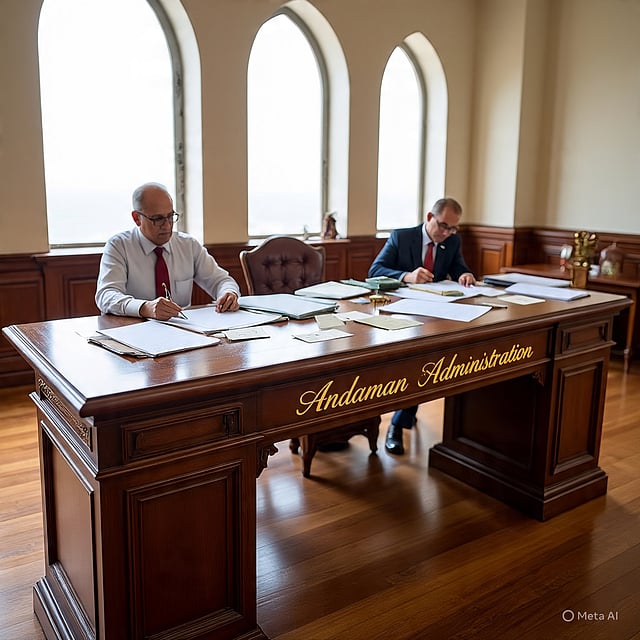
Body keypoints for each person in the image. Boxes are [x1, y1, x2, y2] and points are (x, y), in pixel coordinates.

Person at [368, 197, 476, 455]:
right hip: (399, 313)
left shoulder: (452, 241)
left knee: (427, 363)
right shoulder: (402, 237)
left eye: (452, 228)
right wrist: (407, 276)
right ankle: (393, 424)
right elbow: (375, 271)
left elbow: (459, 267)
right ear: (429, 217)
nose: (447, 233)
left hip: (434, 314)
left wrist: (465, 274)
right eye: (443, 225)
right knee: (409, 363)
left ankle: (400, 421)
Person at [95, 182, 240, 319]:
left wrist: (229, 293)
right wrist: (144, 307)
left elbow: (221, 280)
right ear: (137, 218)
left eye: (170, 216)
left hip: (184, 328)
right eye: (158, 219)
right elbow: (106, 295)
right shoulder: (119, 246)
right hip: (134, 328)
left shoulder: (188, 245)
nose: (167, 225)